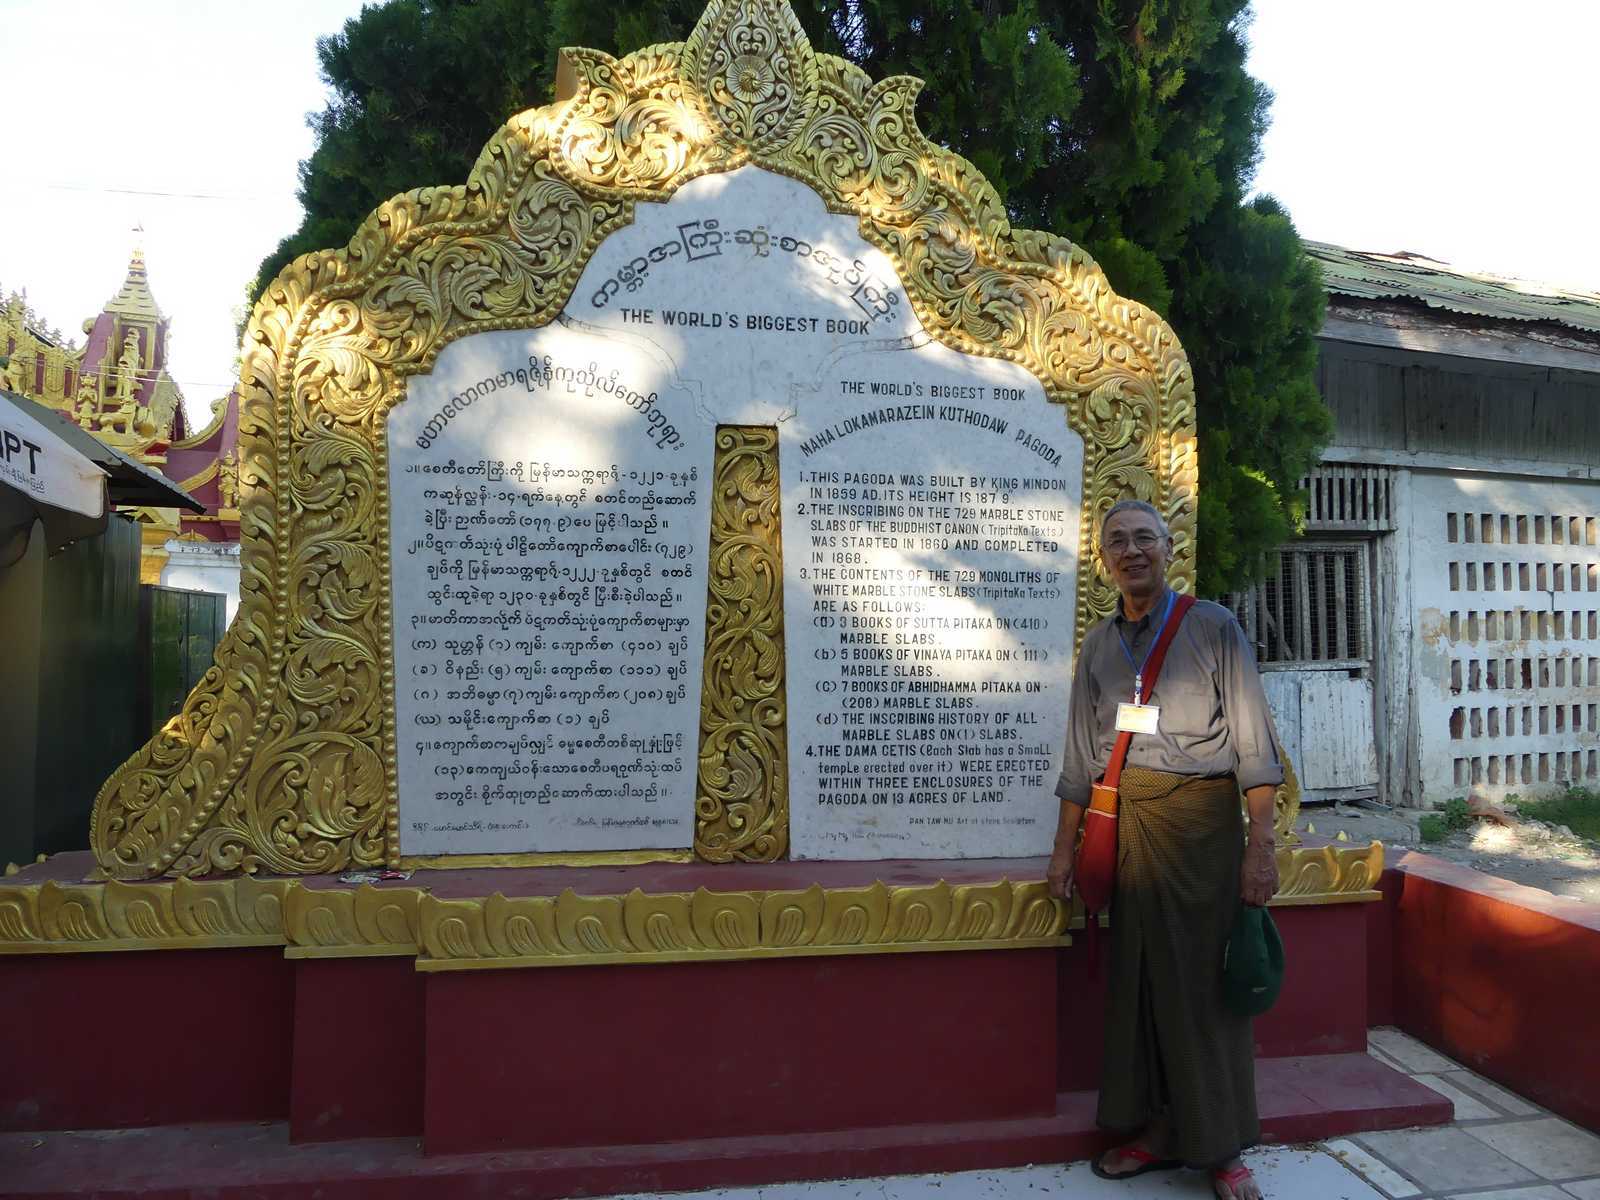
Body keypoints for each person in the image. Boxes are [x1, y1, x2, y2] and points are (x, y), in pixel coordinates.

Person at [1046, 498, 1282, 1200]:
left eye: (1144, 537)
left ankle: (1221, 1148)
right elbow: (1080, 758)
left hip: (1201, 830)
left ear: (1168, 548)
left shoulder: (1213, 627)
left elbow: (1254, 745)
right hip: (1128, 828)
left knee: (1203, 992)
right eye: (1117, 541)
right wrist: (1063, 852)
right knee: (1142, 987)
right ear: (1103, 561)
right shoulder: (1099, 645)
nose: (1132, 550)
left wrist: (1260, 847)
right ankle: (1156, 1130)